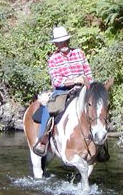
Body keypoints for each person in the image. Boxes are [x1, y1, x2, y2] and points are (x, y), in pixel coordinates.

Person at [33, 26, 93, 156]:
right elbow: (56, 81)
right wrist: (76, 79)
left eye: (65, 41)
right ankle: (43, 140)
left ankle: (100, 145)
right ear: (56, 44)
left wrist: (89, 84)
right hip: (63, 91)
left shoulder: (79, 53)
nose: (63, 44)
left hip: (83, 89)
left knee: (98, 108)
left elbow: (88, 72)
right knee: (50, 109)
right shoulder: (53, 59)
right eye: (60, 42)